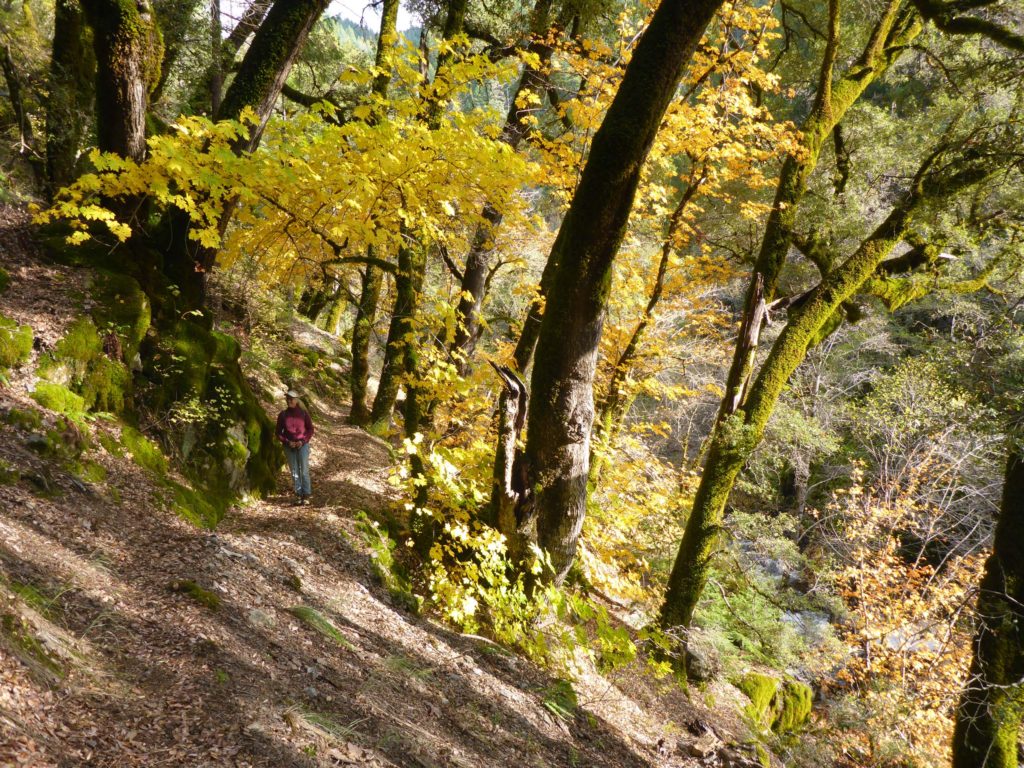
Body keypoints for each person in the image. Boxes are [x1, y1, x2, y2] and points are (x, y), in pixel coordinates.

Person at [276, 389, 314, 505]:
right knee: (294, 471)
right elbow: (278, 433)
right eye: (287, 398)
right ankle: (298, 495)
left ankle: (306, 494)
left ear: (296, 400)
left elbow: (310, 429)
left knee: (304, 470)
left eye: (291, 398)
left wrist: (303, 441)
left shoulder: (303, 413)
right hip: (289, 447)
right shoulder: (283, 415)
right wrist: (287, 442)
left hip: (302, 445)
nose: (289, 400)